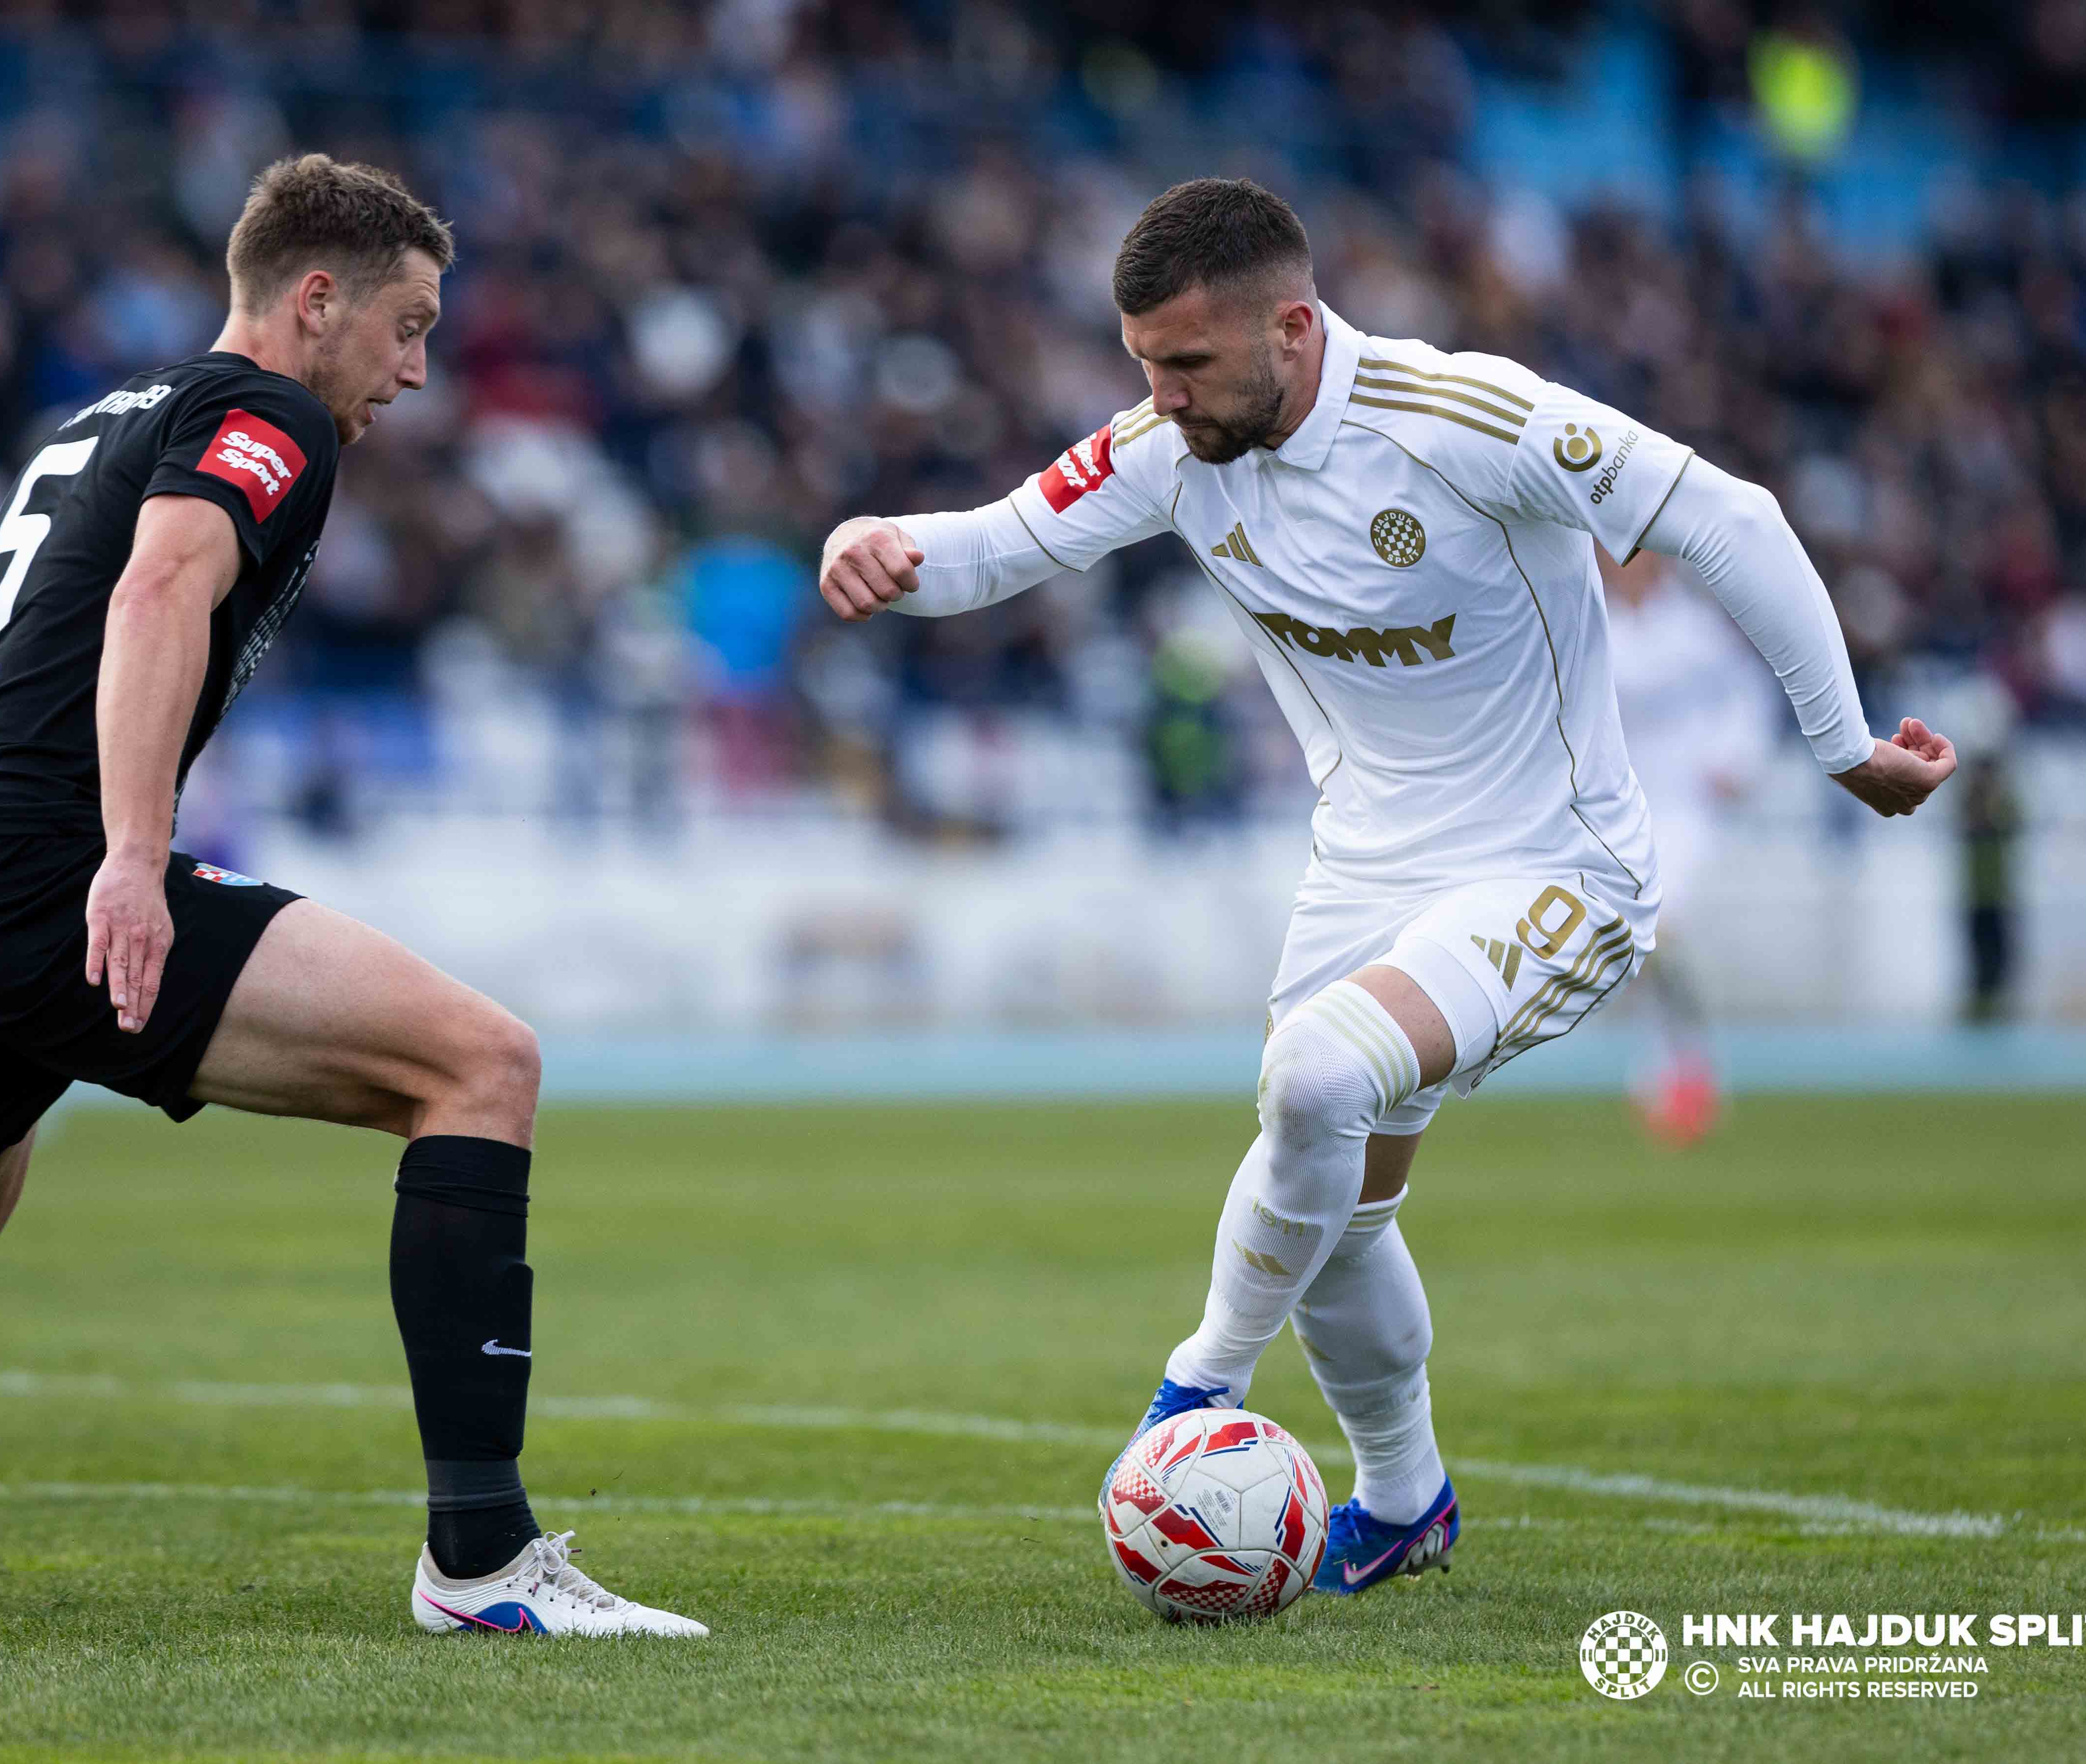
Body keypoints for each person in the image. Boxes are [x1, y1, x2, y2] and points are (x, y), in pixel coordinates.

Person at [0, 155, 702, 1638]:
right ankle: (479, 1565)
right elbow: (157, 592)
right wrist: (135, 860)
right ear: (315, 298)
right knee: (480, 1064)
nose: (414, 371)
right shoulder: (270, 413)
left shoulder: (110, 412)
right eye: (405, 326)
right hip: (35, 866)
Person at [813, 178, 1955, 1597]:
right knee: (1337, 1203)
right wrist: (872, 542)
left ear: (1292, 327)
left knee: (1310, 1084)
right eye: (1142, 366)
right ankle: (1406, 1496)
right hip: (1364, 868)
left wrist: (1840, 739)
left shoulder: (1465, 419)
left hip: (1556, 867)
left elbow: (1730, 515)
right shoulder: (1175, 444)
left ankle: (1192, 1389)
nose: (1156, 397)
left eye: (1185, 364)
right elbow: (990, 541)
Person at [1601, 545, 1774, 1143]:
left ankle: (1677, 1069)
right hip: (1616, 811)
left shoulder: (1696, 630)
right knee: (1636, 945)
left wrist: (1735, 759)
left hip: (1685, 808)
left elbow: (1747, 698)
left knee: (1660, 926)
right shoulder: (1586, 621)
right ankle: (1676, 1065)